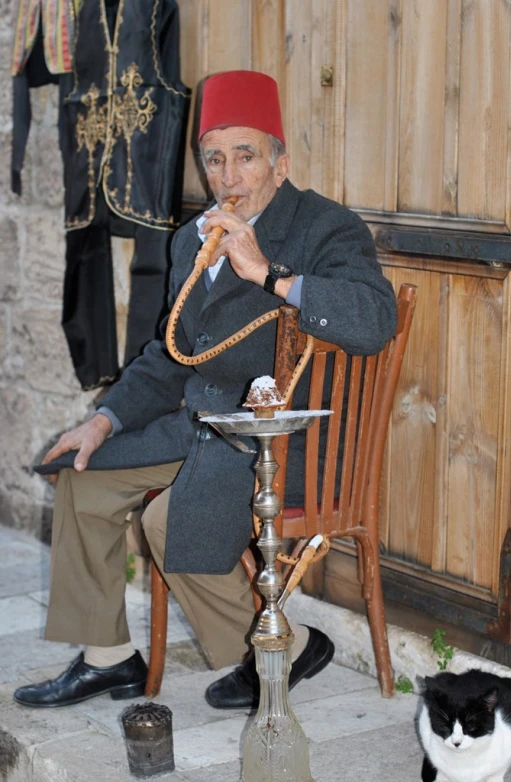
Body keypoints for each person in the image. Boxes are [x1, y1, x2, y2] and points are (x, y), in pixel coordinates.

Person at [14, 70, 397, 710]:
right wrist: (105, 419)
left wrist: (272, 277)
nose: (228, 176)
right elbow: (170, 354)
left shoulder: (326, 227)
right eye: (214, 159)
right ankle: (109, 659)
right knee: (79, 469)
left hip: (283, 440)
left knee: (172, 520)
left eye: (245, 156)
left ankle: (278, 648)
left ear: (280, 162)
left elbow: (374, 320)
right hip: (202, 427)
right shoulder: (193, 238)